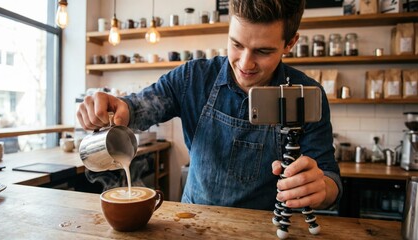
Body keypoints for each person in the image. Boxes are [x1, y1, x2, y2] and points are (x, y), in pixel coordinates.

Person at [77, 0, 342, 211]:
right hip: (193, 222)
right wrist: (117, 107)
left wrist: (321, 188)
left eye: (263, 51)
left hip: (265, 229)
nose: (245, 64)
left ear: (290, 43)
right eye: (236, 45)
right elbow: (139, 107)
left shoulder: (305, 95)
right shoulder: (192, 79)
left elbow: (330, 180)